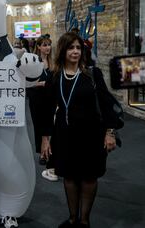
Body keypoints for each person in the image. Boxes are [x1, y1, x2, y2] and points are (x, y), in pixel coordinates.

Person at [41, 32, 116, 228]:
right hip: (64, 135)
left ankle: (84, 220)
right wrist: (45, 138)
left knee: (89, 177)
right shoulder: (55, 76)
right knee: (69, 176)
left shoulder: (92, 74)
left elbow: (107, 104)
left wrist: (110, 132)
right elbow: (47, 110)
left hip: (91, 135)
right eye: (70, 47)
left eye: (78, 48)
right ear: (63, 50)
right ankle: (72, 218)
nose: (75, 51)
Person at [27, 35, 58, 182]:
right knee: (39, 126)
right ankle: (42, 153)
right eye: (44, 45)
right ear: (38, 47)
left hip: (51, 98)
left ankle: (50, 150)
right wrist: (42, 84)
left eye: (49, 45)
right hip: (37, 99)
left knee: (50, 125)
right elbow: (27, 84)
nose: (47, 48)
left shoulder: (54, 62)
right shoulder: (33, 61)